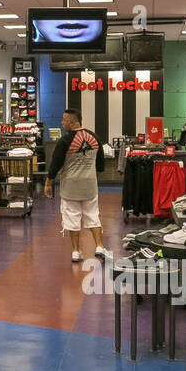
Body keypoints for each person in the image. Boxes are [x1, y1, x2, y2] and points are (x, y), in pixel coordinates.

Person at [44, 107, 107, 263]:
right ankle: (99, 246)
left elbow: (55, 164)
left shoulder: (64, 141)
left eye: (64, 120)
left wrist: (48, 182)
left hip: (70, 187)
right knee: (93, 215)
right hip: (90, 185)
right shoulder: (95, 138)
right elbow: (100, 165)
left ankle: (76, 251)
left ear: (72, 122)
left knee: (72, 218)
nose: (62, 122)